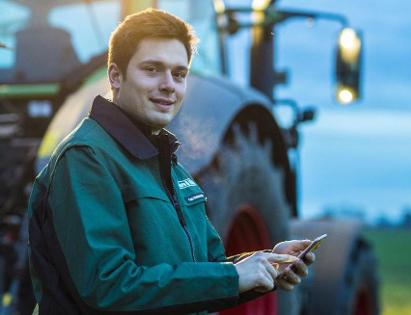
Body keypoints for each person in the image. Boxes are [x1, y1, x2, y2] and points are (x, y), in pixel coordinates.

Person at [27, 8, 314, 315]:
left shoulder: (168, 166)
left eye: (179, 74)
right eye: (152, 69)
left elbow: (203, 269)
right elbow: (108, 285)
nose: (169, 85)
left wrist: (265, 265)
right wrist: (233, 277)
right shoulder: (87, 159)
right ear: (115, 76)